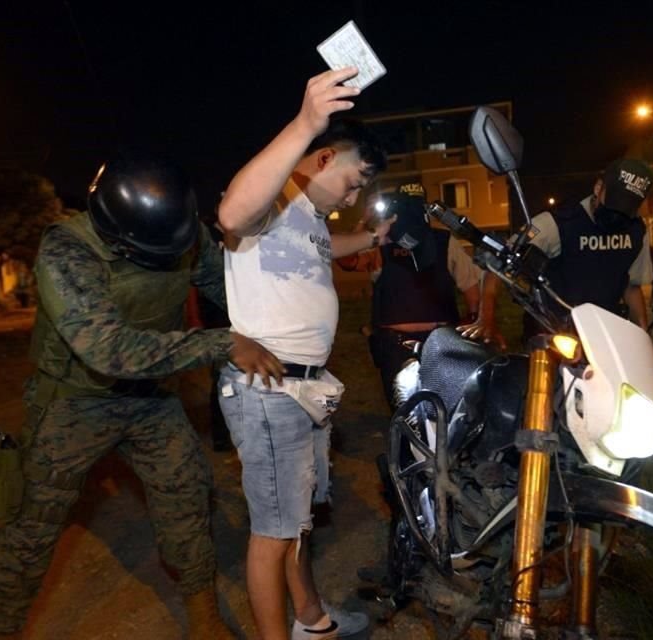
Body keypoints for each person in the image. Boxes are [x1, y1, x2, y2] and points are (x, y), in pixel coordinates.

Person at [0, 153, 282, 639]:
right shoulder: (67, 249)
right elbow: (109, 350)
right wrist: (222, 343)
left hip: (150, 400)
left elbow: (226, 287)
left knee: (187, 499)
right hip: (74, 404)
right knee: (32, 529)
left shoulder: (183, 234)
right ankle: (3, 632)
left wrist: (275, 318)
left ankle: (203, 616)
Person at [215, 66, 392, 640]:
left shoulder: (309, 217)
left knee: (298, 522)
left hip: (303, 389)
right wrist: (305, 121)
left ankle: (311, 620)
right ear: (323, 159)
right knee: (273, 532)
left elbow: (319, 250)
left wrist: (367, 240)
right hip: (269, 393)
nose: (355, 194)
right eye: (355, 180)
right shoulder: (271, 195)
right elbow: (233, 215)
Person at [337, 180, 504, 411]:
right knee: (404, 414)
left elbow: (471, 287)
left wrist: (476, 322)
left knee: (446, 409)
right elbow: (346, 259)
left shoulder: (444, 241)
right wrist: (366, 221)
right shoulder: (382, 240)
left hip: (440, 343)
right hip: (395, 346)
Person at [521, 158, 653, 340]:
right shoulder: (560, 223)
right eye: (614, 202)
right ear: (598, 188)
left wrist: (643, 337)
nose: (617, 214)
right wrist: (486, 318)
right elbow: (501, 258)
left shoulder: (637, 232)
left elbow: (631, 288)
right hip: (553, 334)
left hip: (605, 336)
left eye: (626, 208)